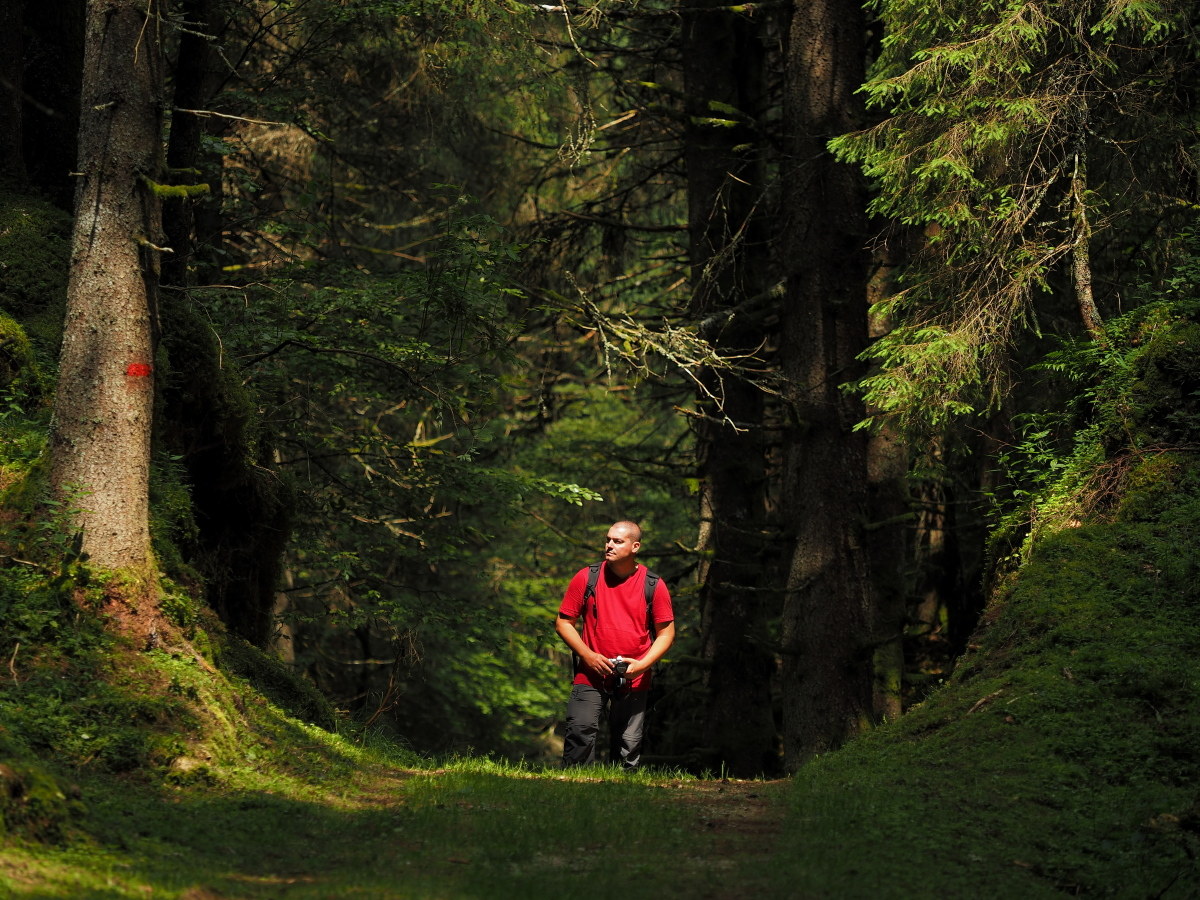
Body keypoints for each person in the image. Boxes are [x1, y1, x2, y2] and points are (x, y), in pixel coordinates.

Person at [555, 520, 675, 769]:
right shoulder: (587, 577)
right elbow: (563, 623)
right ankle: (573, 791)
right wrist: (587, 656)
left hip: (634, 677)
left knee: (628, 745)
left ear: (635, 546)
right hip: (590, 673)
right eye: (608, 539)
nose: (609, 545)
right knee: (579, 732)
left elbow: (666, 634)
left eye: (617, 541)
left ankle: (623, 797)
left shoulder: (653, 585)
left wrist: (642, 666)